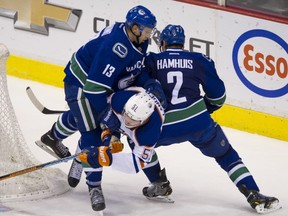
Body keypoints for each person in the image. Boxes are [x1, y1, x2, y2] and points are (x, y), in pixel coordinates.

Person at [35, 5, 166, 212]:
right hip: (81, 84)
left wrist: (149, 83)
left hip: (100, 84)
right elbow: (93, 89)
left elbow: (134, 70)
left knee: (89, 118)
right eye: (147, 30)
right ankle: (94, 187)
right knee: (93, 132)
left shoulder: (140, 41)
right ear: (134, 28)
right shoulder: (115, 47)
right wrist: (108, 118)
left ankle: (56, 139)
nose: (150, 35)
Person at [138, 24, 281, 214]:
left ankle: (158, 182)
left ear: (163, 43)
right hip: (198, 122)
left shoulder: (151, 60)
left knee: (139, 145)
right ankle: (253, 193)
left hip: (164, 127)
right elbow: (218, 96)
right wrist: (202, 110)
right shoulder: (198, 59)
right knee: (226, 154)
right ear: (183, 43)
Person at [79, 86, 173, 205]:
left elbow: (136, 163)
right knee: (88, 126)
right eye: (126, 114)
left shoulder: (149, 132)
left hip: (164, 125)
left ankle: (158, 181)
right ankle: (64, 142)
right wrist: (112, 136)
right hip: (130, 95)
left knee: (135, 143)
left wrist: (107, 159)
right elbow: (104, 116)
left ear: (143, 120)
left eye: (132, 118)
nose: (127, 120)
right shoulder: (119, 100)